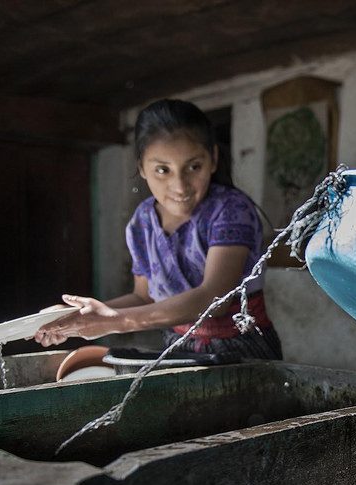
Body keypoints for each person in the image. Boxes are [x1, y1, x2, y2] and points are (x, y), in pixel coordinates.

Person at [35, 99, 282, 362]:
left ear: (213, 159)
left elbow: (215, 299)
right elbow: (144, 296)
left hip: (243, 351)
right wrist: (78, 317)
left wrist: (115, 322)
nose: (180, 185)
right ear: (142, 167)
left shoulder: (231, 209)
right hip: (177, 348)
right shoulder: (143, 221)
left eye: (194, 167)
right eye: (162, 170)